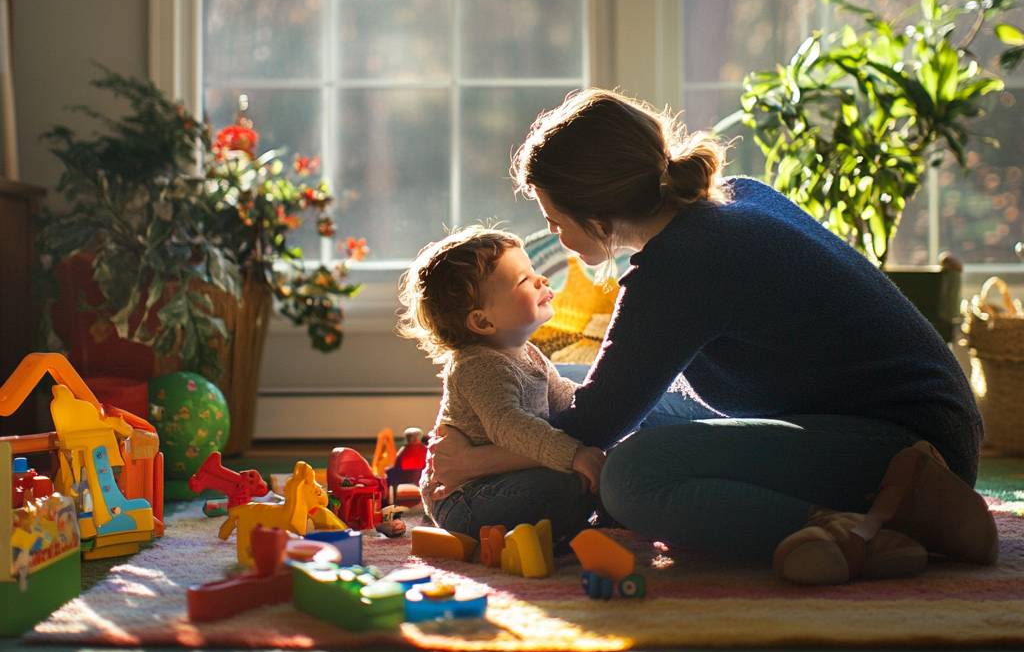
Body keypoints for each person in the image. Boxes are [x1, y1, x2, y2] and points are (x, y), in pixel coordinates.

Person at [426, 88, 998, 586]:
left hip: (907, 445)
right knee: (564, 382)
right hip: (895, 419)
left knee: (630, 477)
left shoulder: (677, 268)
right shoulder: (733, 198)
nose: (553, 232)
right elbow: (602, 402)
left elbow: (595, 425)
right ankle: (871, 510)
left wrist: (474, 464)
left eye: (555, 219)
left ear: (596, 212)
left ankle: (853, 528)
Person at [396, 226, 605, 542]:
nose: (541, 280)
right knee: (562, 486)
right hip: (465, 497)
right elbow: (509, 426)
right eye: (524, 280)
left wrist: (608, 419)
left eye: (532, 271)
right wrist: (575, 454)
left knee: (584, 474)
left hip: (510, 477)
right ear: (482, 321)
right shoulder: (479, 365)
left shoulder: (528, 353)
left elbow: (564, 397)